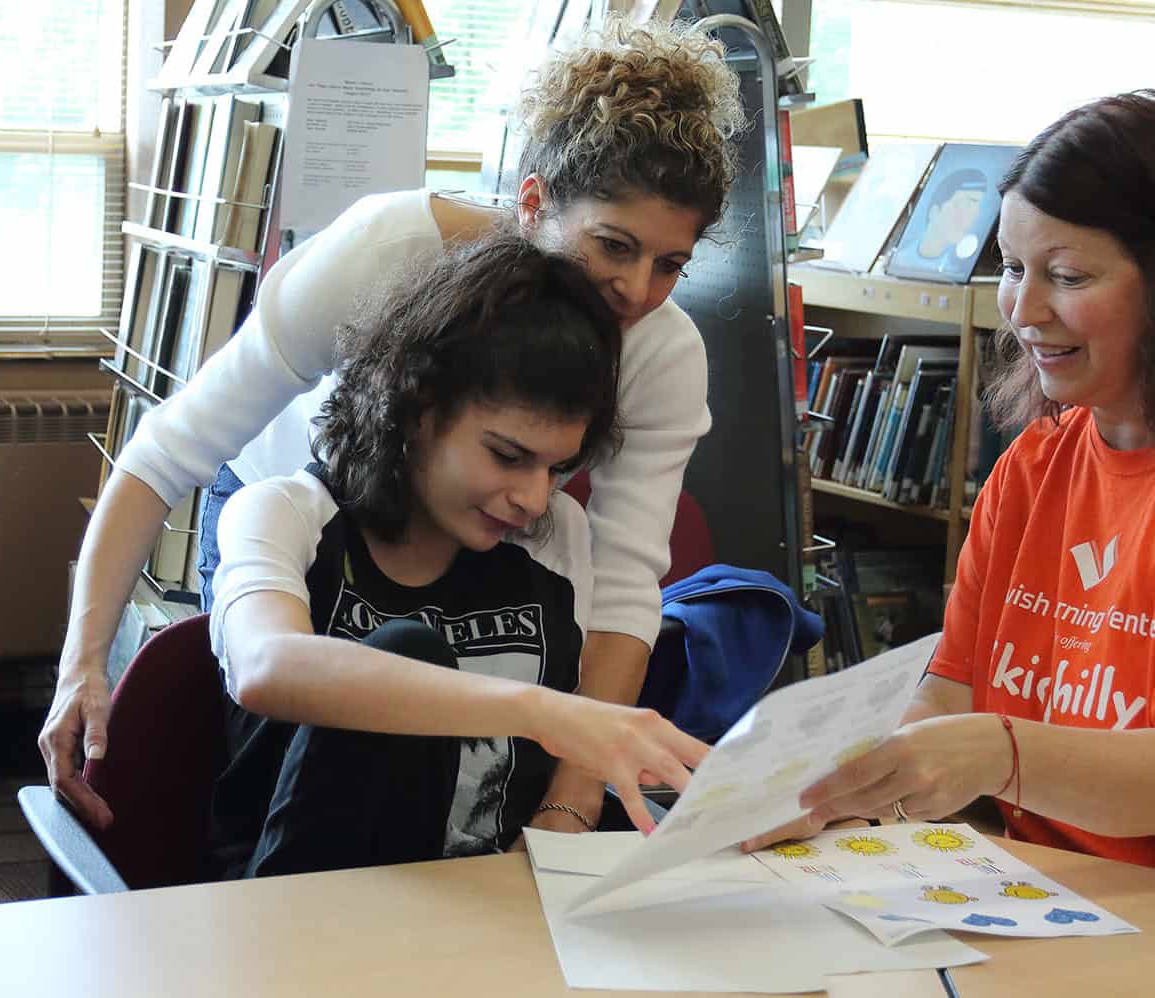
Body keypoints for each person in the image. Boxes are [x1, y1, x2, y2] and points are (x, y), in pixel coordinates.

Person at [44, 16, 745, 838]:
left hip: (461, 518)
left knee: (459, 768)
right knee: (331, 749)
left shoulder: (659, 359)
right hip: (318, 507)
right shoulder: (383, 255)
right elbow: (169, 454)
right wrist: (80, 660)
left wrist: (571, 799)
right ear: (534, 204)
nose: (634, 291)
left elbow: (626, 584)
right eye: (612, 246)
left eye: (670, 265)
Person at [745, 90, 1155, 897]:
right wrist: (837, 788)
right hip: (1037, 883)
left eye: (1068, 275)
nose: (1023, 308)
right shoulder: (1038, 459)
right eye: (1011, 268)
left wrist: (994, 752)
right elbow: (952, 687)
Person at [208, 234, 709, 877]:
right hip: (301, 918)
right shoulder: (283, 512)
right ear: (419, 408)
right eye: (507, 455)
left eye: (558, 468)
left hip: (485, 910)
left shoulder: (556, 535)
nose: (533, 497)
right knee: (404, 651)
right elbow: (265, 665)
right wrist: (547, 713)